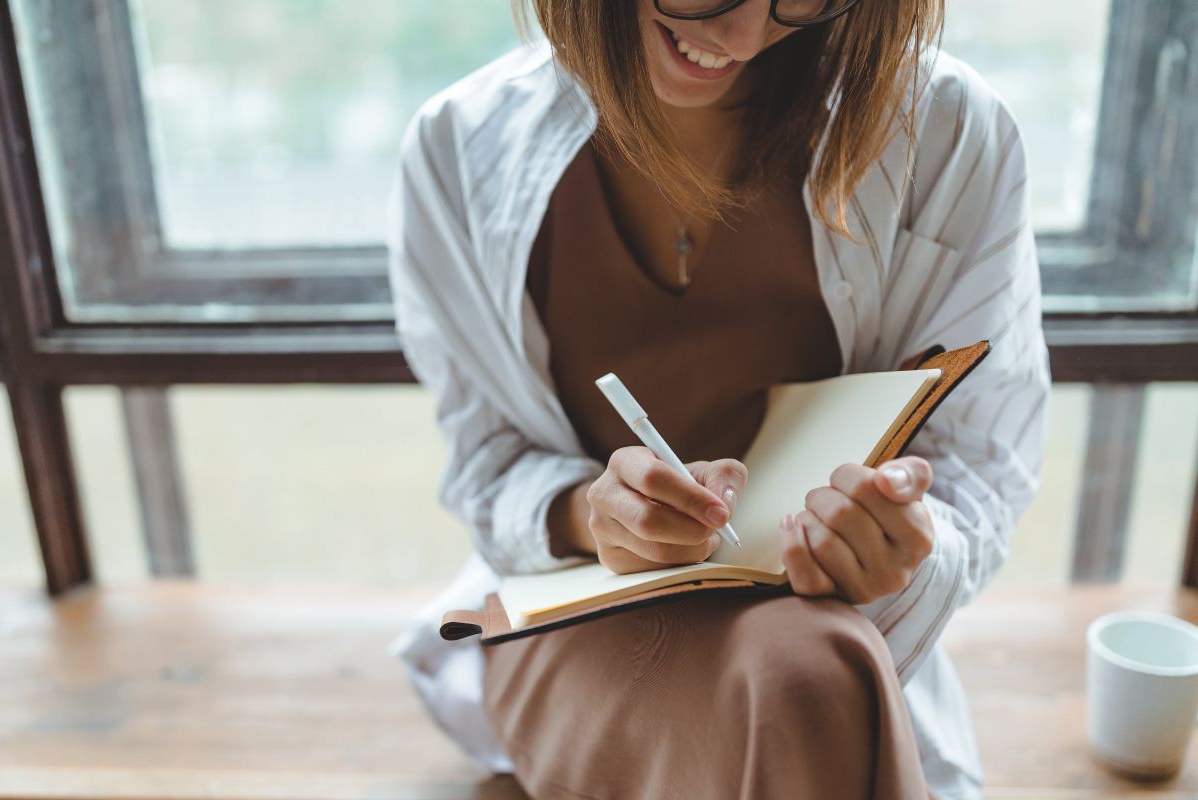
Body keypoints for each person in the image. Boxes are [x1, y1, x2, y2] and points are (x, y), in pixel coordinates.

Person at [388, 0, 1049, 797]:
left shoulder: (946, 133)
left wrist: (904, 541)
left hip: (832, 621)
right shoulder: (456, 149)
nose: (740, 37)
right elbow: (488, 464)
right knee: (811, 682)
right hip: (574, 613)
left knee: (807, 665)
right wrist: (593, 514)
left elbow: (980, 464)